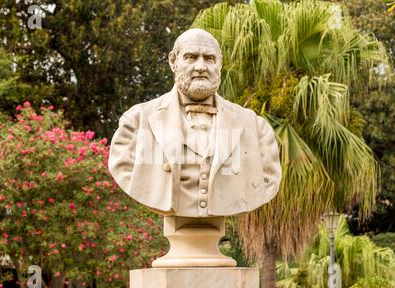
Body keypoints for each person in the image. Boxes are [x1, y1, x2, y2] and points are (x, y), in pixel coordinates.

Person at [108, 28, 281, 218]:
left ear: (219, 64)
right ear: (173, 61)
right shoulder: (136, 121)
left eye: (209, 58)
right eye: (191, 57)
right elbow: (123, 168)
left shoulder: (255, 128)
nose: (201, 67)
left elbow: (268, 178)